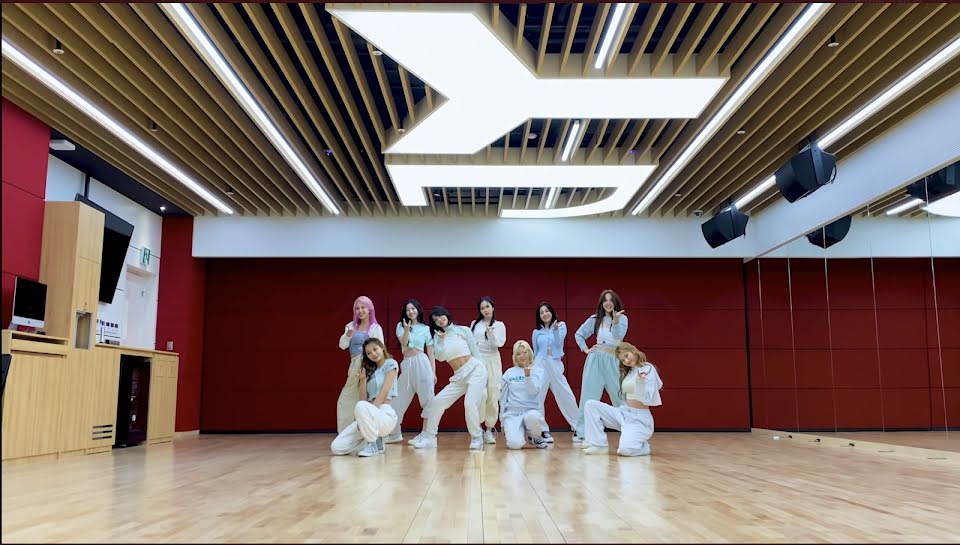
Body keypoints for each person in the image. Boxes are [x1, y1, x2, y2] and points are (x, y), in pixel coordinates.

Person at [411, 307, 488, 450]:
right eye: (436, 320)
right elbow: (440, 357)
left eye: (441, 316)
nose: (440, 320)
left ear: (446, 315)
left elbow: (475, 352)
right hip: (459, 376)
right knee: (436, 403)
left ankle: (477, 437)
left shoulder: (463, 330)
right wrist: (440, 340)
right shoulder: (437, 337)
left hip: (476, 370)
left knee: (469, 404)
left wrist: (485, 376)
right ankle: (430, 438)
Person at [582, 342, 662, 456]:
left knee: (625, 450)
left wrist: (640, 383)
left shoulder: (647, 368)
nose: (626, 361)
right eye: (623, 360)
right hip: (624, 412)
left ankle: (644, 447)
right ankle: (599, 445)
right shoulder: (630, 371)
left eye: (626, 356)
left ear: (633, 350)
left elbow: (647, 398)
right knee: (590, 405)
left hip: (639, 419)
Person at [572, 289, 628, 442]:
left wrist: (615, 322)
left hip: (614, 361)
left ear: (615, 302)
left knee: (620, 396)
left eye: (611, 300)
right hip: (595, 360)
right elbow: (579, 334)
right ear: (601, 303)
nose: (608, 303)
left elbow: (618, 336)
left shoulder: (622, 319)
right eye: (605, 300)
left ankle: (629, 428)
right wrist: (585, 349)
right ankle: (581, 431)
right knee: (588, 396)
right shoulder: (595, 319)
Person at [331, 338, 400, 457]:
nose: (373, 354)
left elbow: (384, 391)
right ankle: (377, 442)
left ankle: (372, 444)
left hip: (384, 414)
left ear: (382, 347)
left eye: (375, 349)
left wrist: (369, 412)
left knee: (360, 406)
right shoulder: (370, 372)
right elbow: (363, 400)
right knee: (336, 447)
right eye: (368, 353)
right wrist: (362, 380)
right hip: (369, 414)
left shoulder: (390, 363)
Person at [386, 299, 436, 443]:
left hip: (422, 363)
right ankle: (394, 433)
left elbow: (431, 352)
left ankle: (427, 435)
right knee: (397, 400)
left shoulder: (426, 329)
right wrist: (407, 329)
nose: (411, 312)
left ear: (418, 310)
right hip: (407, 364)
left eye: (413, 309)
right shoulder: (401, 326)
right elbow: (403, 342)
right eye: (408, 310)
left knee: (428, 400)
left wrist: (433, 372)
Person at [532, 302, 579, 442]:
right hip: (540, 365)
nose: (545, 314)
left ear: (551, 312)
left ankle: (579, 427)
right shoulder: (536, 332)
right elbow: (535, 352)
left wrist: (556, 330)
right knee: (538, 398)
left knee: (566, 395)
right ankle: (542, 431)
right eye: (541, 312)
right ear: (539, 316)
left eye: (547, 311)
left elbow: (559, 343)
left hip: (555, 363)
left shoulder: (561, 326)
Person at [336, 296, 384, 432]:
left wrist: (380, 370)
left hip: (369, 366)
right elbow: (342, 345)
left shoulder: (375, 328)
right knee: (346, 399)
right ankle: (345, 433)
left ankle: (370, 433)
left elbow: (381, 350)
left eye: (363, 307)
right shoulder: (351, 326)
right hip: (354, 367)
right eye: (357, 308)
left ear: (370, 309)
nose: (360, 311)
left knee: (368, 399)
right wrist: (348, 335)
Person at [470, 296, 506, 444]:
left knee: (493, 394)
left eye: (487, 307)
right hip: (478, 361)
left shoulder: (499, 325)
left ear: (493, 307)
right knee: (480, 394)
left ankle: (489, 430)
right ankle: (477, 428)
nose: (485, 310)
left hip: (493, 360)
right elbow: (471, 344)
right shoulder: (474, 324)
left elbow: (500, 343)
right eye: (482, 308)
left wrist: (491, 333)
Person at [500, 340, 549, 449]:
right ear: (515, 356)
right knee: (514, 445)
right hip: (512, 414)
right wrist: (502, 422)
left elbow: (533, 391)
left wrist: (528, 376)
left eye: (525, 352)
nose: (522, 356)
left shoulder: (538, 371)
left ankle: (534, 437)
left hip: (531, 411)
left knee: (533, 417)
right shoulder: (509, 373)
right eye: (518, 354)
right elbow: (502, 399)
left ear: (529, 353)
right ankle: (519, 434)